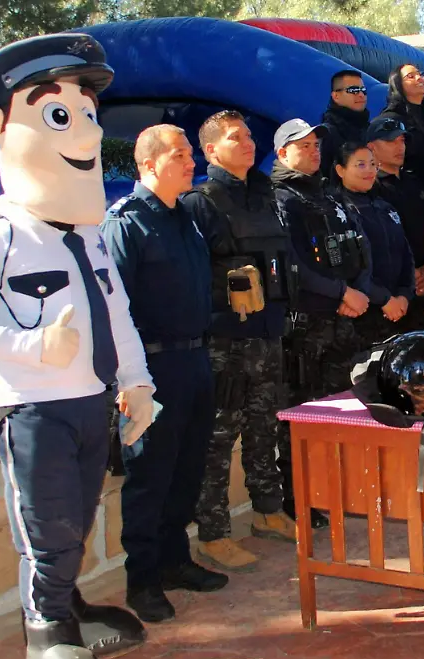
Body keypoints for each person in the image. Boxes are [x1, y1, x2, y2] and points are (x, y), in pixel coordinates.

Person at [0, 33, 153, 659]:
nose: (85, 135)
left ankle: (68, 608)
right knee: (46, 523)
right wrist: (31, 346)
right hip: (33, 408)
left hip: (91, 400)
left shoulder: (89, 238)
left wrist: (136, 382)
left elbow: (117, 311)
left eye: (87, 115)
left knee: (77, 514)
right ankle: (44, 633)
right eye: (60, 117)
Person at [100, 125, 225, 623]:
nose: (191, 161)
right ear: (150, 164)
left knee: (187, 467)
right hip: (151, 366)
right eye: (181, 154)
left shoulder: (185, 218)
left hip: (195, 359)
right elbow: (113, 309)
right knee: (150, 474)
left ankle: (176, 560)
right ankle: (143, 579)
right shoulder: (126, 223)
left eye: (191, 153)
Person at [180, 110, 297, 573]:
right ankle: (213, 534)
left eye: (249, 135)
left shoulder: (264, 194)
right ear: (211, 150)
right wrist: (225, 289)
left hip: (268, 334)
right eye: (235, 137)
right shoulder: (200, 203)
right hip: (225, 342)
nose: (248, 142)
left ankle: (268, 512)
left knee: (264, 427)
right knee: (217, 438)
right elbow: (187, 277)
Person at [274, 120, 377, 404]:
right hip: (308, 325)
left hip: (347, 317)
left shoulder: (329, 194)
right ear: (282, 154)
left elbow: (361, 244)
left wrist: (359, 291)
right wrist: (343, 293)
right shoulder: (280, 199)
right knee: (305, 410)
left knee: (348, 402)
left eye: (316, 145)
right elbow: (293, 261)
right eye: (303, 146)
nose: (313, 151)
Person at [330, 141, 416, 344]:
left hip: (398, 311)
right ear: (340, 170)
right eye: (360, 165)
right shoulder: (335, 210)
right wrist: (384, 299)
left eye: (372, 164)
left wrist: (404, 295)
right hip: (360, 314)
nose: (369, 171)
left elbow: (405, 254)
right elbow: (347, 266)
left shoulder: (384, 207)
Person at [367, 115, 424, 330]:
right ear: (371, 146)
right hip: (391, 292)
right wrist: (408, 276)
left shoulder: (413, 182)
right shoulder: (370, 188)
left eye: (402, 141)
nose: (399, 147)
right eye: (391, 141)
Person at [380, 63, 424, 189]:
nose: (419, 78)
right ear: (398, 84)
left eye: (421, 74)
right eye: (411, 76)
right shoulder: (392, 118)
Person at [319, 69, 371, 177]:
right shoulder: (326, 133)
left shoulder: (370, 128)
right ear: (336, 96)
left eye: (363, 90)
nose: (361, 94)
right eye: (353, 90)